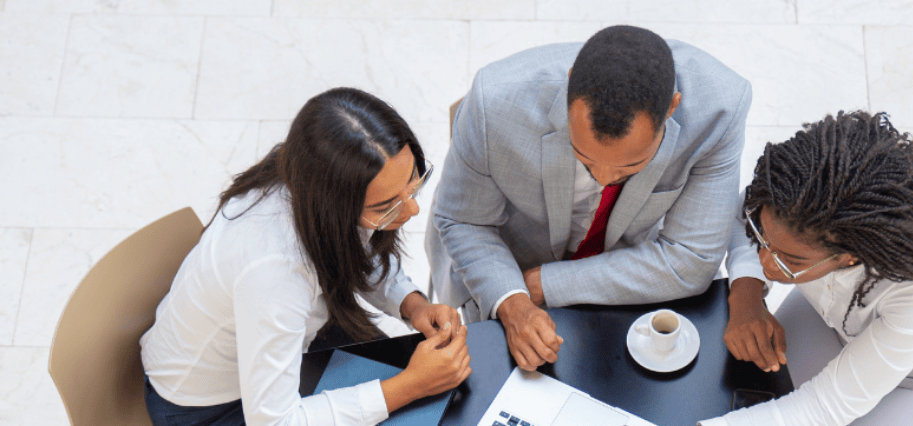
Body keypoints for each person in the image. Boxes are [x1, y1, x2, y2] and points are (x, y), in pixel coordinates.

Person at [425, 25, 751, 371]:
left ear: (671, 109)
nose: (604, 177)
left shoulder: (720, 111)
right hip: (503, 264)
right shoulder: (493, 102)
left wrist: (544, 285)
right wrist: (512, 298)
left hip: (621, 271)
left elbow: (692, 258)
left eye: (630, 166)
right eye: (585, 158)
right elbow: (465, 220)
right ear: (568, 90)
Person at [140, 88, 472, 426]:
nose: (413, 209)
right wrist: (410, 386)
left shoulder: (310, 176)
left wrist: (412, 304)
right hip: (209, 407)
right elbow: (275, 421)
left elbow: (355, 249)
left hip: (288, 344)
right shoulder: (275, 271)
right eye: (386, 206)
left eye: (413, 182)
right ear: (335, 206)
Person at [703, 111, 913, 426]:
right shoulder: (794, 201)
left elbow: (823, 409)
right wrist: (746, 295)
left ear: (851, 257)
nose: (765, 263)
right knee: (743, 387)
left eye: (791, 260)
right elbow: (741, 213)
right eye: (762, 239)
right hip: (837, 327)